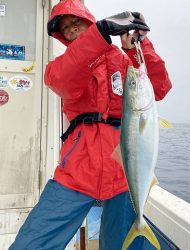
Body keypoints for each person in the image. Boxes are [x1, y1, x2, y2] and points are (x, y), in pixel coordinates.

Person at [10, 0, 172, 249]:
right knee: (30, 243)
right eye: (65, 28)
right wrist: (100, 33)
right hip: (77, 171)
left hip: (122, 172)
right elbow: (62, 80)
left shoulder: (124, 62)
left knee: (123, 245)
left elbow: (159, 89)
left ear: (88, 20)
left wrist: (141, 44)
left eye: (76, 22)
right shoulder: (62, 66)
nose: (71, 29)